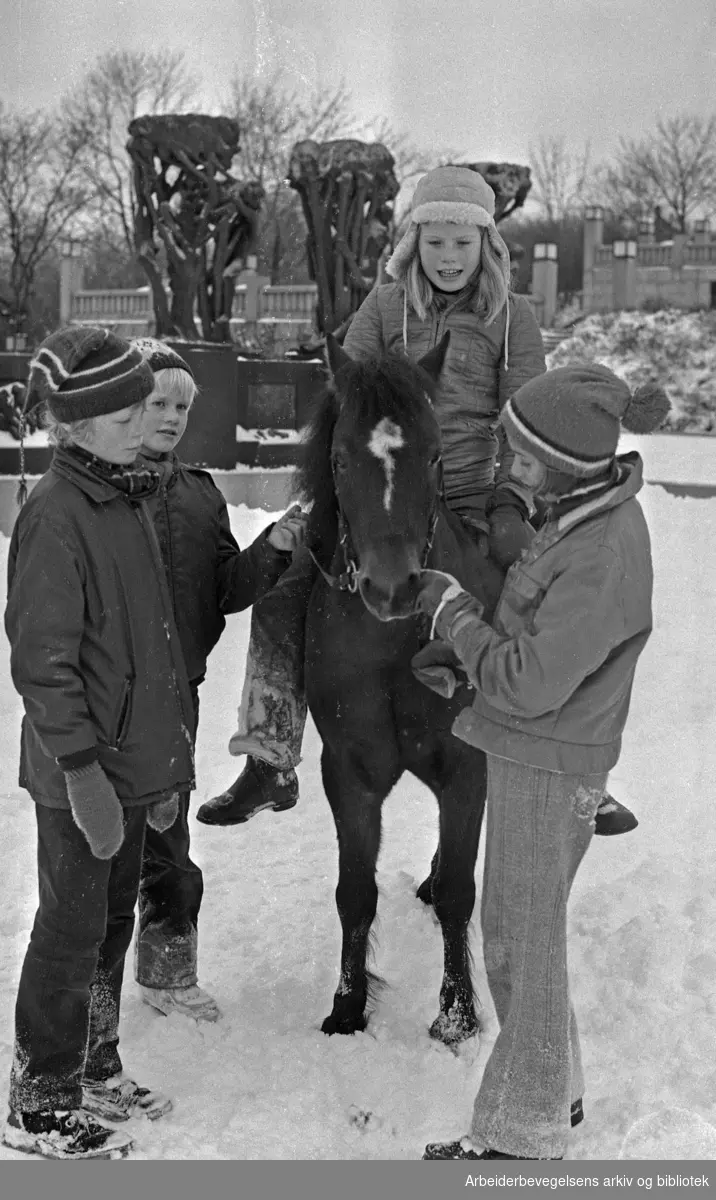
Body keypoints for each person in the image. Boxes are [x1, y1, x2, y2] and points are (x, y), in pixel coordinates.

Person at [197, 163, 637, 837]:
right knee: (285, 586)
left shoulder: (513, 318)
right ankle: (271, 753)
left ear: (486, 246)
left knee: (552, 599)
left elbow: (526, 425)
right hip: (381, 497)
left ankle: (573, 772)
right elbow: (345, 397)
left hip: (470, 492)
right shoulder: (382, 308)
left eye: (463, 243)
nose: (449, 257)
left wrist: (511, 501)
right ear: (413, 245)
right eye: (435, 242)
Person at [417, 364, 669, 1161]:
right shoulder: (579, 517)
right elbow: (544, 647)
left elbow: (528, 682)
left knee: (519, 940)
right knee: (526, 930)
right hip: (547, 746)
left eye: (518, 455)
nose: (504, 466)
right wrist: (470, 657)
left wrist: (457, 618)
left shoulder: (600, 553)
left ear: (558, 462)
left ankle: (523, 1137)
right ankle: (554, 1091)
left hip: (549, 760)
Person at [2, 327, 196, 1160]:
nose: (137, 416)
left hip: (128, 766)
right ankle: (41, 1099)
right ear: (76, 425)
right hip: (81, 773)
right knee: (69, 931)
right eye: (121, 407)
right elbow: (44, 663)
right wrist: (81, 773)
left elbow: (142, 647)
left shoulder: (120, 492)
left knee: (110, 922)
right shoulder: (56, 512)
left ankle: (93, 1062)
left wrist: (156, 768)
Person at [130, 339, 308, 1022]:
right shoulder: (100, 495)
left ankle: (167, 973)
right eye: (156, 403)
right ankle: (86, 986)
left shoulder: (201, 496)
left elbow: (225, 591)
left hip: (179, 694)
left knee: (167, 834)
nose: (171, 417)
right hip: (110, 696)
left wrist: (274, 549)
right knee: (106, 844)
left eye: (180, 405)